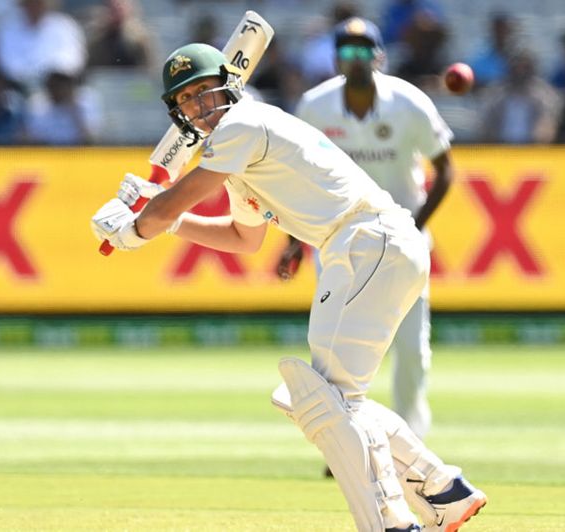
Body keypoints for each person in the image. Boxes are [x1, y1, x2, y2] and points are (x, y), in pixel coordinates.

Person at [90, 42, 486, 532]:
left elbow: (173, 201)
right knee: (320, 397)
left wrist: (136, 227)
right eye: (186, 100)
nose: (198, 105)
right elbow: (242, 238)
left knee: (326, 401)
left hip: (366, 241)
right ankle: (442, 488)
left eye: (203, 91)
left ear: (228, 84)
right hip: (364, 247)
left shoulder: (243, 125)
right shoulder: (238, 155)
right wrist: (163, 220)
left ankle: (394, 521)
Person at [275, 17, 452, 443]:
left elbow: (445, 171)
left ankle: (411, 448)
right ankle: (344, 444)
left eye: (363, 50)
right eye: (347, 50)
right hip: (339, 242)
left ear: (380, 56)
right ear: (336, 58)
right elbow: (299, 178)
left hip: (404, 244)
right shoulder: (315, 107)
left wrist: (412, 224)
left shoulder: (409, 103)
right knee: (337, 353)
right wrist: (293, 243)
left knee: (411, 352)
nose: (355, 59)